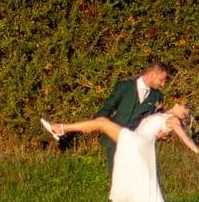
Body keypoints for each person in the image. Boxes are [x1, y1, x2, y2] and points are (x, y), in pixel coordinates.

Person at [40, 101, 199, 202]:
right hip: (137, 143)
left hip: (137, 143)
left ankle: (60, 128)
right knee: (132, 180)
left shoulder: (172, 121)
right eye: (184, 106)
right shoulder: (160, 113)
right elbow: (151, 126)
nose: (182, 107)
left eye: (185, 109)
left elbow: (184, 139)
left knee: (101, 122)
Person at [44, 61, 172, 171]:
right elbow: (108, 108)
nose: (163, 84)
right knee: (117, 180)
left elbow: (157, 118)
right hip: (114, 139)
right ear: (152, 75)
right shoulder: (124, 87)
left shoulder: (157, 96)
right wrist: (94, 124)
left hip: (137, 142)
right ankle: (64, 132)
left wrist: (162, 131)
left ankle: (61, 129)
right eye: (161, 80)